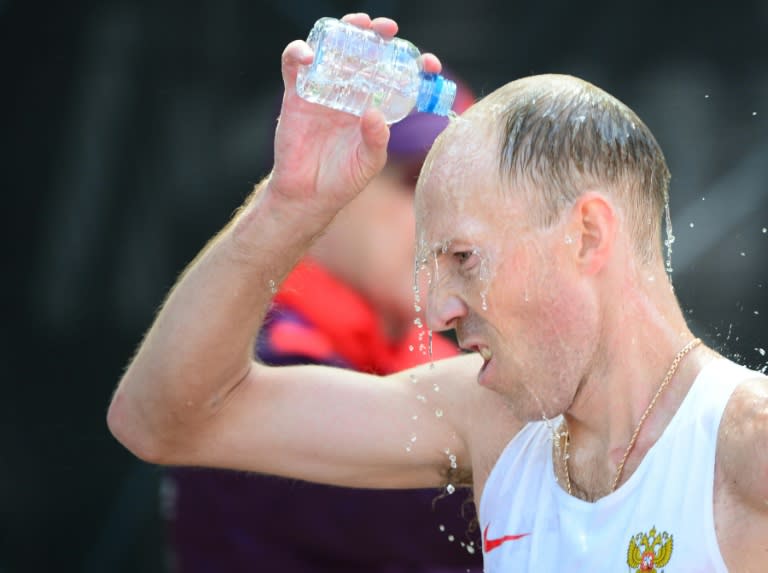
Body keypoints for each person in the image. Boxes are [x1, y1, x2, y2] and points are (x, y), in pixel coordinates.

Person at [108, 13, 768, 572]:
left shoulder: (746, 442)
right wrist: (287, 203)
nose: (437, 308)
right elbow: (159, 419)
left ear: (588, 235)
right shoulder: (484, 417)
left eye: (464, 256)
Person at [162, 78, 482, 572]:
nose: (451, 222)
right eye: (417, 182)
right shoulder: (251, 361)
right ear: (324, 182)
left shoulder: (439, 359)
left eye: (469, 198)